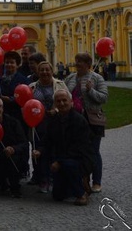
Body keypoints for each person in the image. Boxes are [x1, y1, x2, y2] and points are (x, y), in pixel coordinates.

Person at [33, 90, 94, 206]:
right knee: (58, 196)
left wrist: (60, 162)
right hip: (62, 159)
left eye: (64, 100)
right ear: (55, 103)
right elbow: (47, 141)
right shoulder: (53, 121)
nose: (61, 103)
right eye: (58, 101)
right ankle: (76, 184)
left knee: (69, 165)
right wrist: (39, 150)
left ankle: (82, 193)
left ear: (71, 102)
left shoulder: (79, 120)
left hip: (81, 159)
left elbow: (79, 148)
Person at [64, 52, 108, 194]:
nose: (77, 64)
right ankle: (82, 181)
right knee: (78, 151)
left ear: (88, 64)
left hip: (92, 120)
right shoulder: (70, 78)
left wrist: (91, 91)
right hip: (75, 121)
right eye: (76, 61)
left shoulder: (97, 78)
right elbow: (63, 94)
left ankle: (97, 182)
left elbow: (104, 98)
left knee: (94, 151)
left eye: (80, 61)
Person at [29, 60, 68, 192]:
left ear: (52, 71)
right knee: (40, 151)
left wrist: (56, 110)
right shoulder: (32, 87)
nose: (45, 72)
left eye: (47, 69)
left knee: (55, 151)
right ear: (38, 72)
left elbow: (68, 101)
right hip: (38, 124)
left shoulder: (60, 84)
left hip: (56, 122)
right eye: (42, 70)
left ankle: (54, 179)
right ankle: (43, 179)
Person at [0, 51, 31, 120]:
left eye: (12, 62)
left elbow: (26, 97)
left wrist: (11, 100)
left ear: (17, 65)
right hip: (2, 115)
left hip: (17, 115)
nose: (9, 65)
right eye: (7, 62)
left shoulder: (23, 80)